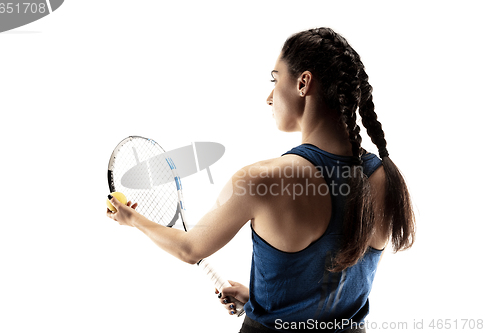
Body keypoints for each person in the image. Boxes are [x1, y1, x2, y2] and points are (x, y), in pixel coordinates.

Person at [107, 27, 415, 333]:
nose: (269, 97)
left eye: (275, 79)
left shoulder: (262, 180)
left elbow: (190, 249)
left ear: (303, 83)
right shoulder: (384, 177)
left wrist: (132, 218)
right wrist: (258, 300)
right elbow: (339, 289)